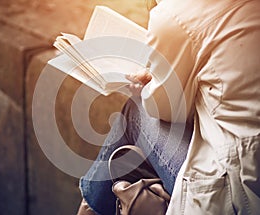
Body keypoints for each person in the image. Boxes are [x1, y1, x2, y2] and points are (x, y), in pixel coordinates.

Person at [77, 0, 260, 214]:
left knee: (134, 110)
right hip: (250, 165)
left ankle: (90, 206)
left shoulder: (175, 16)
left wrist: (148, 87)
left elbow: (164, 109)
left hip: (237, 193)